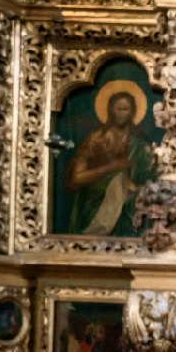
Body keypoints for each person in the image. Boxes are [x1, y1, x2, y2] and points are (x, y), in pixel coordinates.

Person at [65, 84, 155, 237]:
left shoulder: (140, 141)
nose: (121, 113)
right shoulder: (96, 139)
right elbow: (76, 177)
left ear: (132, 112)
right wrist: (111, 168)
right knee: (119, 181)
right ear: (111, 110)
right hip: (97, 201)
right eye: (118, 109)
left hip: (131, 199)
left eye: (125, 109)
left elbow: (149, 174)